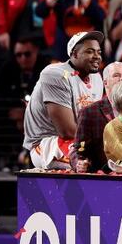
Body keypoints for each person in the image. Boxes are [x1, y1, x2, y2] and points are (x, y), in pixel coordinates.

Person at [23, 31, 104, 170]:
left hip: (80, 140)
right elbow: (66, 131)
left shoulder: (96, 78)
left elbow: (93, 121)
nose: (97, 56)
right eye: (90, 51)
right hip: (48, 144)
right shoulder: (55, 74)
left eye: (98, 51)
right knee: (98, 162)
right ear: (74, 54)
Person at [71, 61, 122, 173]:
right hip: (103, 179)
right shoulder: (90, 112)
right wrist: (79, 163)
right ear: (105, 82)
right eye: (116, 75)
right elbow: (79, 149)